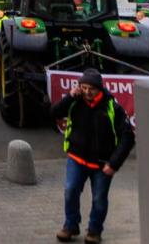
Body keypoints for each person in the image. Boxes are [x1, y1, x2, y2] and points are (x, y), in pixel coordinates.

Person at [50, 68, 135, 243]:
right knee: (71, 191)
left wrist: (114, 164)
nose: (87, 92)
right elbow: (54, 112)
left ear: (99, 89)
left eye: (91, 89)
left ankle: (94, 231)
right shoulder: (75, 101)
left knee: (99, 199)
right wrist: (70, 97)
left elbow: (128, 138)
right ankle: (70, 226)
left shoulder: (113, 107)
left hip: (102, 164)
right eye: (84, 87)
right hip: (77, 158)